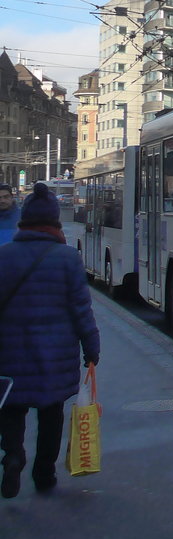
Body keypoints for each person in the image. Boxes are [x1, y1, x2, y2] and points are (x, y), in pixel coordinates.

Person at [0, 182, 100, 498]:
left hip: (10, 350)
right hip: (55, 353)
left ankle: (13, 455)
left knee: (12, 407)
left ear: (24, 220)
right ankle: (44, 473)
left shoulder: (4, 256)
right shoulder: (68, 258)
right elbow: (81, 309)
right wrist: (91, 347)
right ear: (55, 220)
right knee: (51, 411)